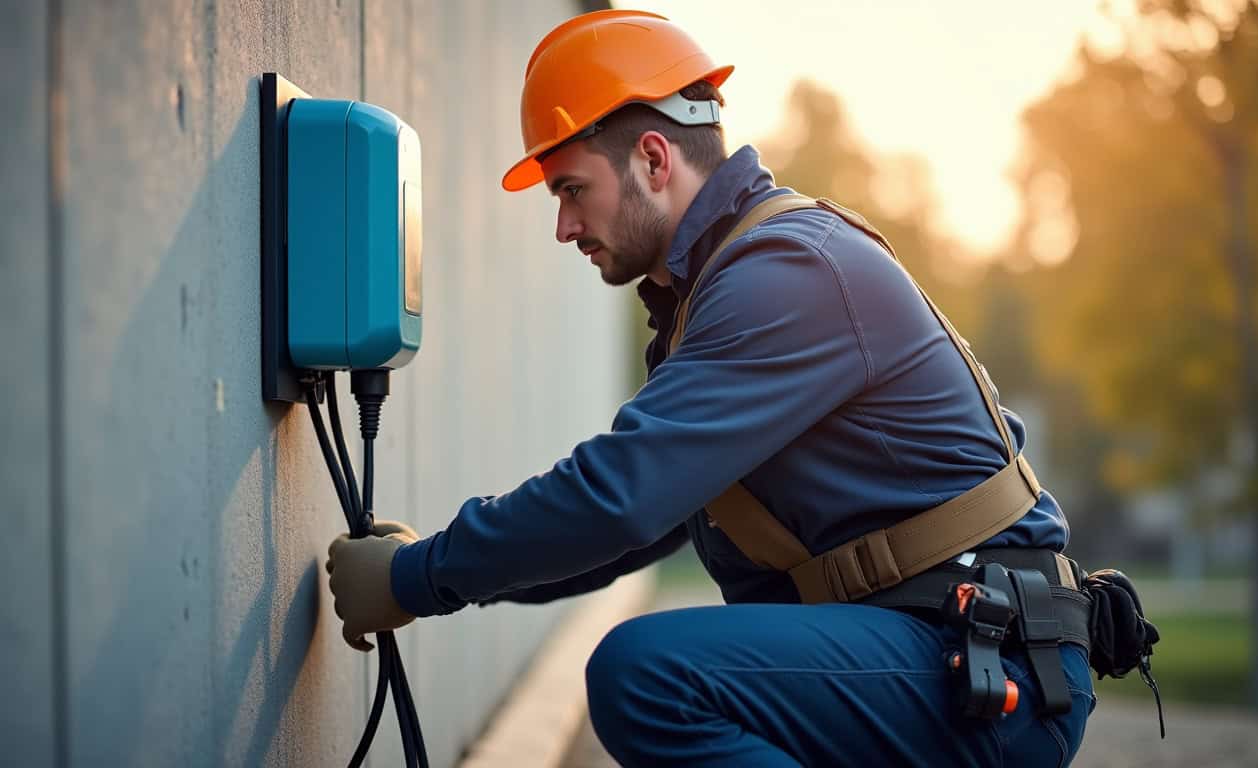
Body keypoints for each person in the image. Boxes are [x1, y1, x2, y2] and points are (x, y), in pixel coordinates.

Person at [326, 9, 1096, 766]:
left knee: (650, 678)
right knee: (657, 672)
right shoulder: (716, 294)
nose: (563, 227)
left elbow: (621, 495)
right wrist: (437, 571)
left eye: (570, 190)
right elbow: (647, 524)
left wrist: (417, 578)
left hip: (987, 666)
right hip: (937, 650)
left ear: (654, 162)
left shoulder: (786, 273)